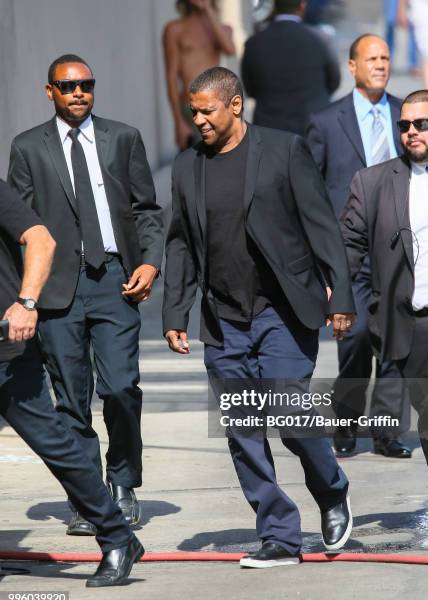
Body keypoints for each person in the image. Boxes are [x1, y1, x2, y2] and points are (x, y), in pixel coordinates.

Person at [163, 66, 355, 568]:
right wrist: (175, 312)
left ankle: (331, 491)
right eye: (193, 111)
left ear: (234, 105)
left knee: (289, 412)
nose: (198, 119)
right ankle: (279, 536)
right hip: (223, 318)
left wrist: (341, 297)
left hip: (282, 311)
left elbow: (321, 225)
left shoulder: (283, 150)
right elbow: (180, 243)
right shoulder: (187, 167)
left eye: (206, 110)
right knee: (243, 429)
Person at [8, 54, 164, 537]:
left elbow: (147, 210)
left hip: (115, 280)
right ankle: (87, 495)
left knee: (120, 387)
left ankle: (122, 482)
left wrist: (149, 262)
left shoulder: (123, 138)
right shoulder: (28, 147)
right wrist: (24, 295)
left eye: (86, 85)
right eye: (68, 86)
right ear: (49, 91)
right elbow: (19, 224)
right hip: (58, 290)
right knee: (71, 399)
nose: (79, 94)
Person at [0, 179, 143, 587]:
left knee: (56, 446)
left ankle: (118, 538)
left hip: (8, 351)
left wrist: (27, 303)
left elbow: (41, 241)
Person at [341, 89, 428, 539]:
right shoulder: (374, 183)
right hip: (417, 325)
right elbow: (347, 244)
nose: (411, 132)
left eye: (421, 124)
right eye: (404, 126)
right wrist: (339, 299)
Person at [307, 34, 412, 458]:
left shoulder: (406, 114)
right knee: (354, 339)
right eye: (372, 58)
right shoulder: (326, 120)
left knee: (397, 341)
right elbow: (311, 189)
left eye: (385, 57)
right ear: (352, 66)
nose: (381, 65)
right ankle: (347, 423)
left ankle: (387, 431)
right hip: (348, 246)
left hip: (398, 244)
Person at [241, 0, 340, 138]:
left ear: (274, 6)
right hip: (311, 129)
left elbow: (250, 89)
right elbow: (334, 80)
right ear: (302, 6)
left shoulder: (254, 43)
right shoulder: (321, 40)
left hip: (269, 132)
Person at [163, 0, 236, 150]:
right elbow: (171, 77)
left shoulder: (222, 29)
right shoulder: (175, 29)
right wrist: (178, 123)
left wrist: (208, 9)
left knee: (223, 164)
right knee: (194, 165)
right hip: (191, 109)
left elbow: (230, 49)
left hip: (219, 106)